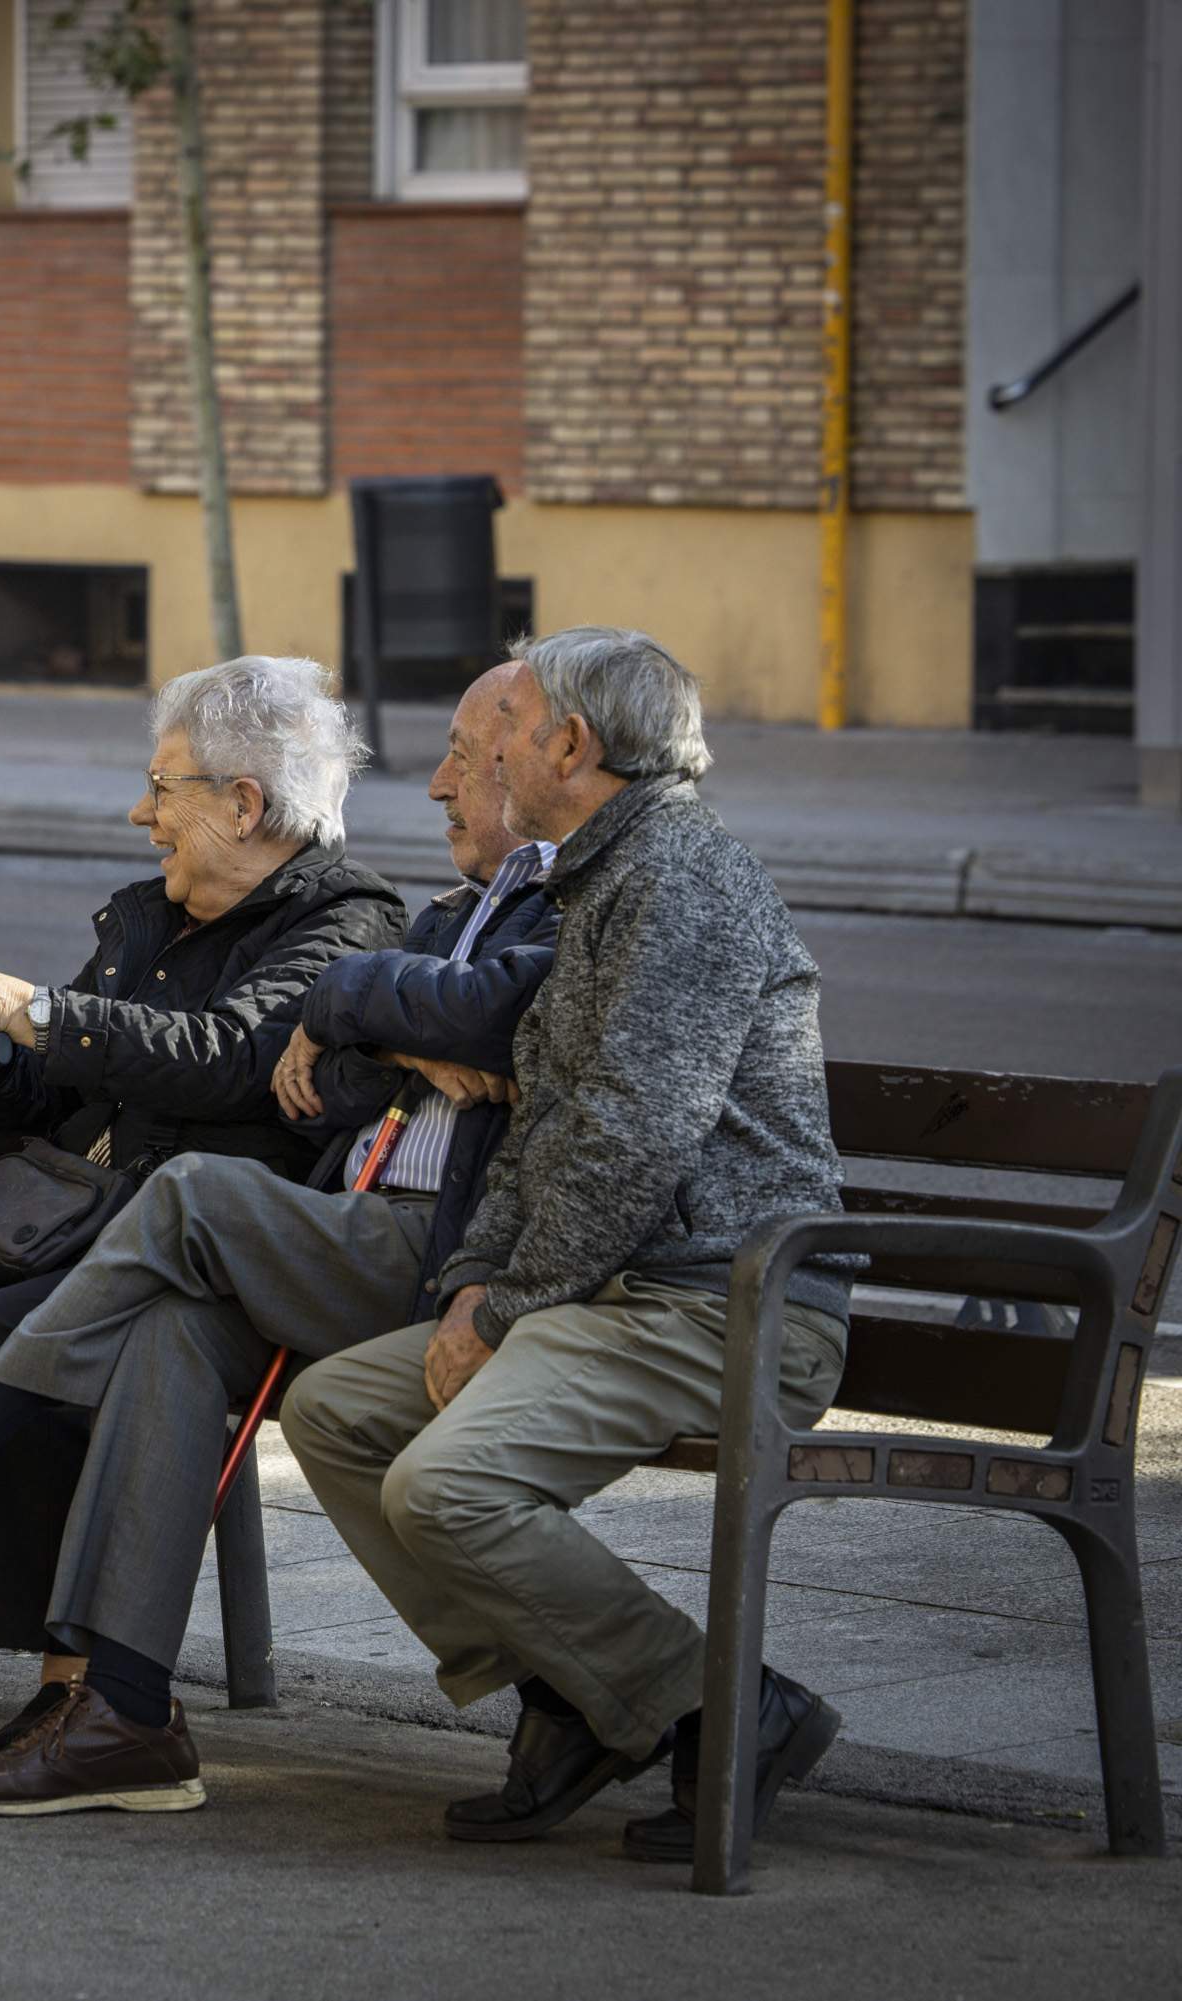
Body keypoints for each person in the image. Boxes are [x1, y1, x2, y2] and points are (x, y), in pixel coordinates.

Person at [0, 662, 561, 1815]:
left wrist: (46, 1015)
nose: (142, 814)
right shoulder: (147, 915)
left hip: (191, 1243)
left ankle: (60, 1676)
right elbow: (65, 1092)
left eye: (163, 787)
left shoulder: (345, 917)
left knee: (3, 1330)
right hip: (67, 1217)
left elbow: (226, 1061)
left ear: (244, 803)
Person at [278, 626, 858, 1863]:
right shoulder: (602, 882)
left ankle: (720, 1710)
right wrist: (483, 1277)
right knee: (336, 1412)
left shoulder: (680, 881)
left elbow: (633, 1139)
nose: (482, 755)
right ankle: (579, 1691)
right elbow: (546, 1127)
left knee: (445, 1485)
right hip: (617, 1293)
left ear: (572, 746)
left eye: (507, 727)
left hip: (728, 1306)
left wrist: (501, 1305)